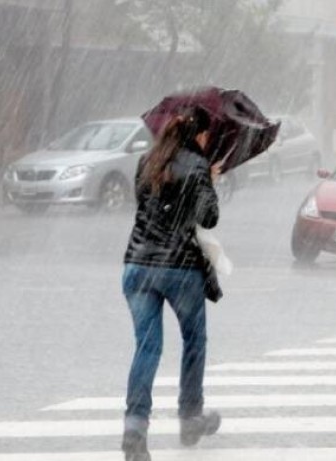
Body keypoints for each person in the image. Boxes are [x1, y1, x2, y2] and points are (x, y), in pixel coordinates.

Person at [121, 105, 223, 461]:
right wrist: (209, 180)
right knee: (194, 340)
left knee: (147, 348)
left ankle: (135, 427)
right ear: (200, 135)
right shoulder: (197, 165)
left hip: (137, 265)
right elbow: (208, 217)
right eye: (208, 135)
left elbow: (145, 204)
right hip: (179, 268)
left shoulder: (147, 161)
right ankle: (190, 416)